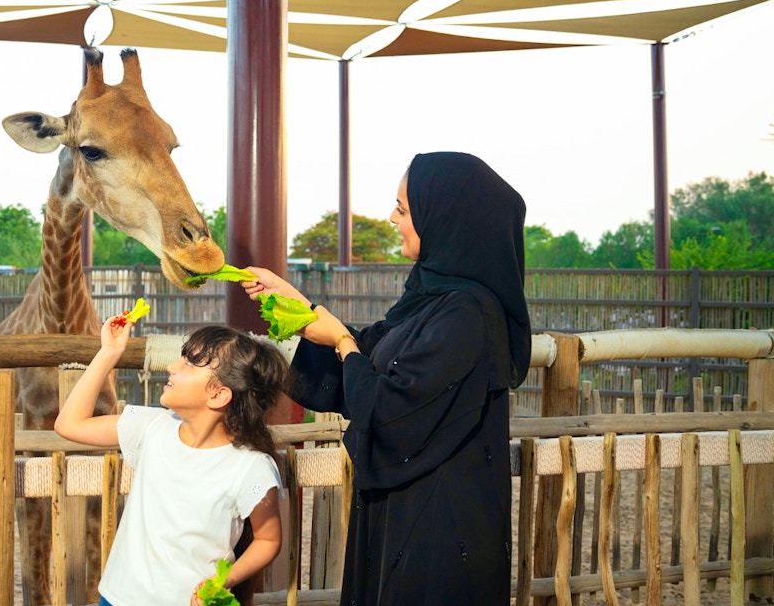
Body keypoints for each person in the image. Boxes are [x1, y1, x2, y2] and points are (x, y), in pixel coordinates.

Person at [241, 151, 531, 605]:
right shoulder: (431, 300)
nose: (392, 218)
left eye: (403, 209)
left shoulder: (467, 314)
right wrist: (295, 303)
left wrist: (341, 341)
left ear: (443, 218)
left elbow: (391, 409)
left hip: (439, 531)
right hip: (406, 513)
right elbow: (371, 352)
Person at [55, 321, 287, 606]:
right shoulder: (151, 427)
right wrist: (109, 353)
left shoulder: (252, 467)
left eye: (189, 363)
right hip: (116, 598)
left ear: (219, 394)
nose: (172, 367)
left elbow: (268, 540)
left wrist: (223, 581)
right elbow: (69, 424)